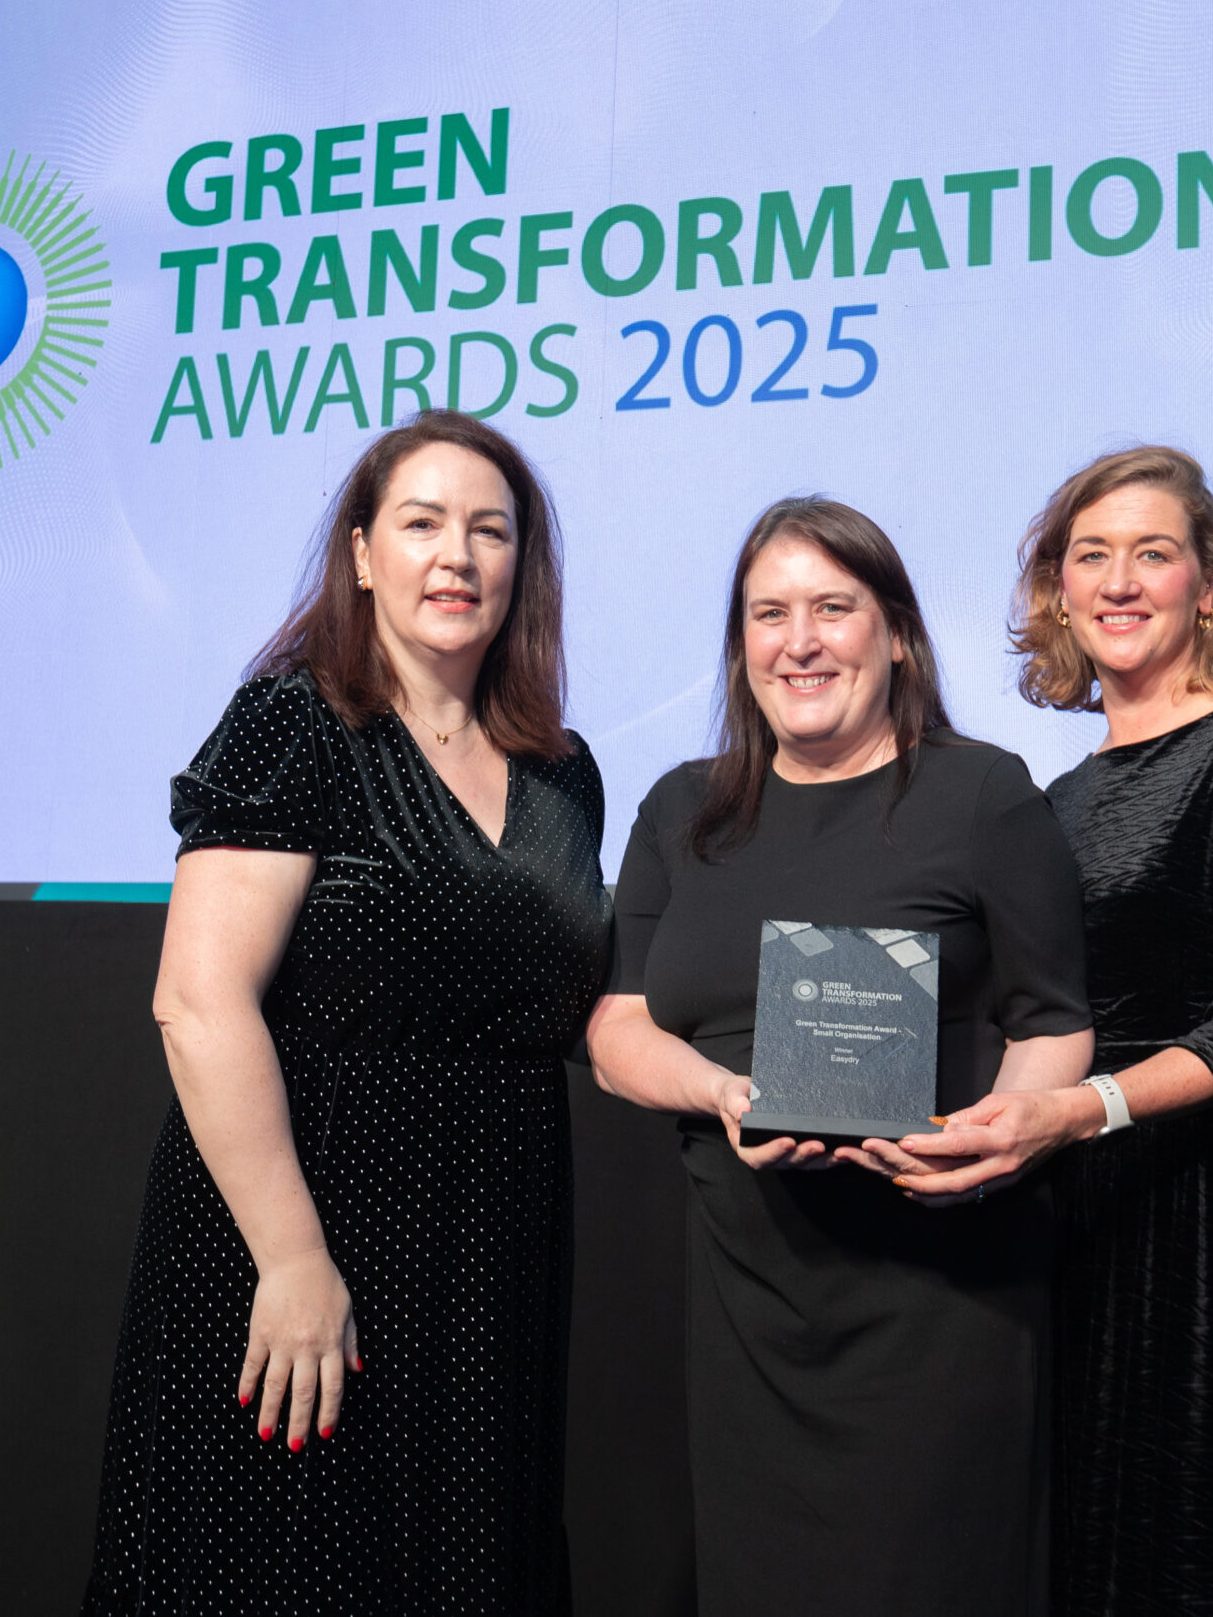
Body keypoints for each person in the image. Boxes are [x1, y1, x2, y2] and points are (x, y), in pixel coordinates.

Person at [81, 412, 606, 1615]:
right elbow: (199, 1001)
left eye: (489, 530)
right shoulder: (294, 725)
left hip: (496, 1244)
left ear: (523, 564)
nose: (456, 556)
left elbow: (564, 1007)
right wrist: (292, 1257)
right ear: (364, 554)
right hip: (307, 1232)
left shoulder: (564, 771)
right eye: (421, 524)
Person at [892, 446, 1213, 1614]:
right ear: (1056, 595)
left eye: (1153, 554)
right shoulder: (1060, 799)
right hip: (1085, 1217)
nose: (1120, 581)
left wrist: (1080, 1110)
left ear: (1207, 587)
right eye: (1091, 556)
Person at [586, 497, 1095, 1616]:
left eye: (833, 607)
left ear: (897, 633)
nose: (799, 640)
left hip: (941, 1293)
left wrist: (997, 1141)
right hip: (749, 1301)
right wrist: (723, 1091)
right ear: (740, 646)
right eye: (769, 614)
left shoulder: (982, 794)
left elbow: (1053, 1020)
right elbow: (618, 1029)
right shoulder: (683, 810)